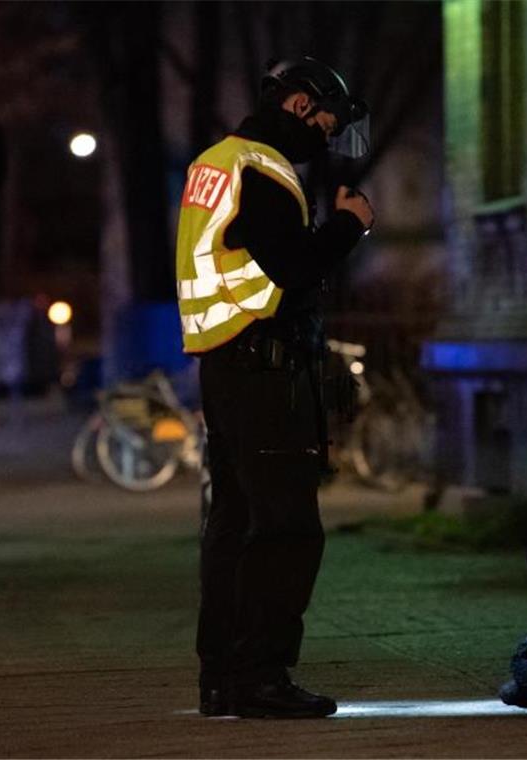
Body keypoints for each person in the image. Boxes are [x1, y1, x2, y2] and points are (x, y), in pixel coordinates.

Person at [175, 57, 374, 719]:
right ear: (295, 106)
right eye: (326, 122)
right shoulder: (261, 169)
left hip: (228, 367)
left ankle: (223, 678)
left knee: (232, 524)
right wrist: (349, 224)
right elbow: (290, 266)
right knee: (286, 528)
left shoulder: (216, 162)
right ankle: (260, 676)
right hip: (265, 368)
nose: (327, 138)